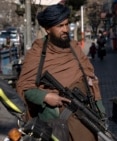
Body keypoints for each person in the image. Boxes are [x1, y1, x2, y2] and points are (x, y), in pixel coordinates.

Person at [16, 4, 106, 141]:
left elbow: (91, 80)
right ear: (48, 29)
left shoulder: (74, 48)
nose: (65, 30)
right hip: (55, 125)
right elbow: (25, 88)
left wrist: (101, 111)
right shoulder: (37, 53)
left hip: (84, 120)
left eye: (66, 24)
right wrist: (45, 97)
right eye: (60, 26)